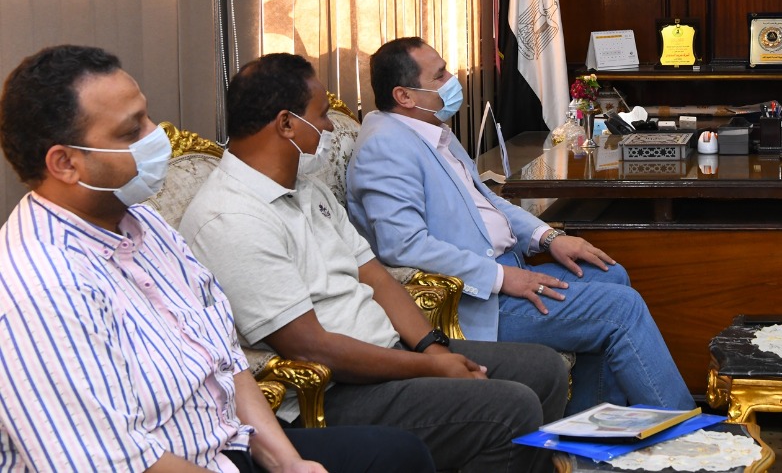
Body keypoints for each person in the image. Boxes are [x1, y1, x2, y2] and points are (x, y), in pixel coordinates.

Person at [0, 44, 434, 473]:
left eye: (146, 116)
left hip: (229, 447)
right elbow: (112, 463)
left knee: (398, 454)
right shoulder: (38, 288)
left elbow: (226, 360)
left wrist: (288, 463)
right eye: (131, 132)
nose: (157, 134)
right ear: (65, 163)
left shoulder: (146, 225)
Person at [180, 53, 567, 473]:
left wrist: (433, 347)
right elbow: (310, 346)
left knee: (543, 370)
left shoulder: (305, 188)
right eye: (321, 116)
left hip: (392, 353)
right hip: (336, 390)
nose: (330, 128)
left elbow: (376, 277)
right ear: (286, 124)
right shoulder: (231, 218)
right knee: (510, 408)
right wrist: (429, 367)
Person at [346, 37, 694, 416]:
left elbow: (487, 201)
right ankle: (686, 432)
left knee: (610, 274)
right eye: (440, 75)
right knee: (621, 310)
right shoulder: (386, 147)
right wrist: (501, 278)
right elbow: (404, 246)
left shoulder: (429, 129)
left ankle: (590, 426)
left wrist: (549, 237)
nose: (452, 81)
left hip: (507, 270)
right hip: (475, 301)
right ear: (404, 96)